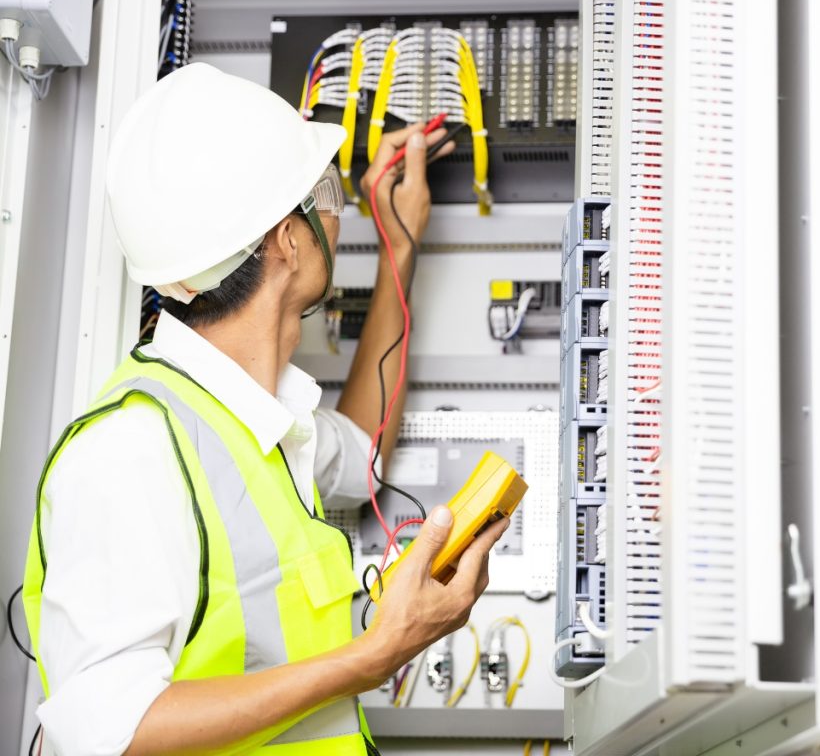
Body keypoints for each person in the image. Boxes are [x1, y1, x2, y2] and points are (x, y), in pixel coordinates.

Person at [20, 63, 508, 755]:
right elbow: (111, 732)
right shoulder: (129, 449)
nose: (337, 215)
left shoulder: (258, 417)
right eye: (327, 195)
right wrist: (375, 654)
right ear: (288, 238)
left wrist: (399, 251)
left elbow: (364, 448)